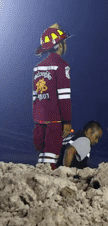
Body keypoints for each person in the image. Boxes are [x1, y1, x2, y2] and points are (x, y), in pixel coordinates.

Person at [32, 23, 73, 169]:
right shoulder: (62, 66)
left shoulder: (38, 67)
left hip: (39, 118)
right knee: (51, 156)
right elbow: (64, 97)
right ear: (59, 46)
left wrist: (37, 118)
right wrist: (67, 121)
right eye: (64, 42)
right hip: (55, 118)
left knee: (42, 155)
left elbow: (35, 96)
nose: (65, 45)